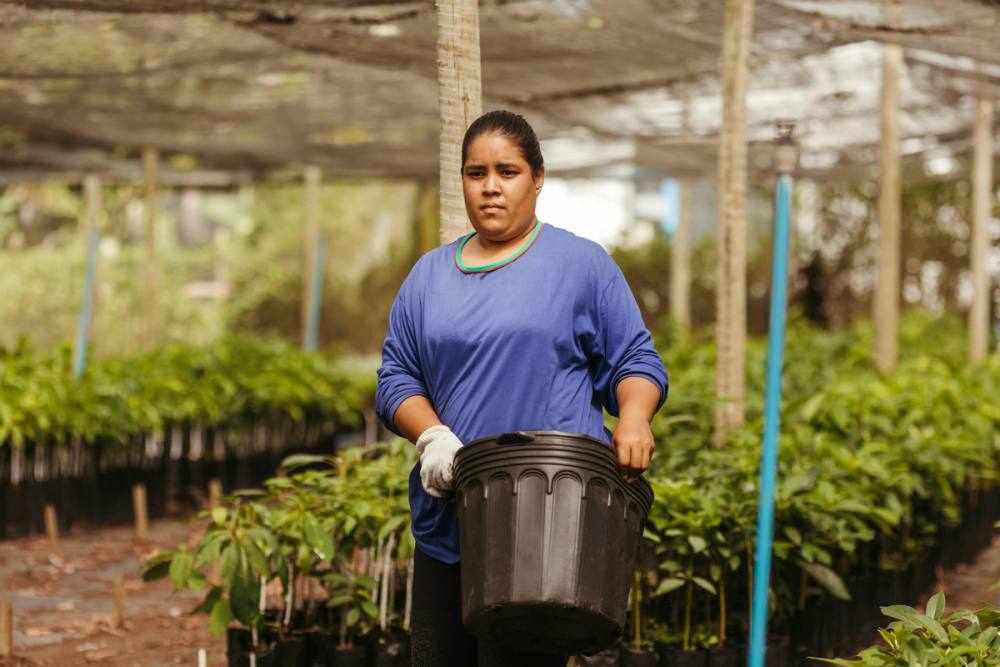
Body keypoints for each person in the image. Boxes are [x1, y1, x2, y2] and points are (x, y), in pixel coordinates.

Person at [375, 110, 668, 667]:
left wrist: (633, 417)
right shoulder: (428, 277)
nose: (490, 187)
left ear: (537, 178)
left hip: (549, 519)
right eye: (475, 172)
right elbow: (397, 377)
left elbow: (634, 359)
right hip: (452, 516)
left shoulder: (580, 266)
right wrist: (432, 436)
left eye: (507, 172)